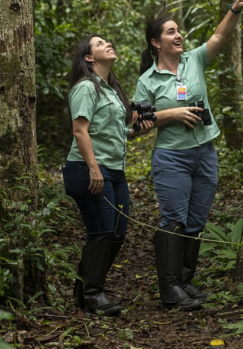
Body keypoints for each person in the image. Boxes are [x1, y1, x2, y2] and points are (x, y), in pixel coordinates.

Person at [135, 0, 243, 311]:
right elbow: (136, 123)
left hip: (205, 153)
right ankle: (169, 288)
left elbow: (218, 37)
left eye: (179, 30)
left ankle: (184, 283)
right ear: (156, 43)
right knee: (173, 218)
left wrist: (236, 8)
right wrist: (170, 113)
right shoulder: (148, 80)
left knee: (195, 221)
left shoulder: (194, 61)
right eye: (170, 32)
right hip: (172, 158)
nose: (178, 35)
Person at [63, 35, 153, 316]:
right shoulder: (86, 88)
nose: (108, 44)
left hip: (114, 171)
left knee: (116, 233)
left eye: (108, 41)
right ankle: (93, 293)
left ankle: (83, 292)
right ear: (89, 58)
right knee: (101, 232)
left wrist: (138, 130)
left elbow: (112, 132)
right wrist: (93, 168)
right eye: (100, 43)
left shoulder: (111, 90)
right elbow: (80, 130)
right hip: (87, 169)